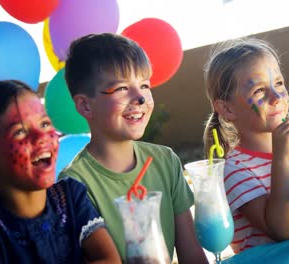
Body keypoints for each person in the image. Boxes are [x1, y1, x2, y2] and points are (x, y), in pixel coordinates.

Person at [58, 33, 208, 263]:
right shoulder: (74, 186)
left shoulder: (164, 161)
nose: (139, 97)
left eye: (145, 85)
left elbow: (192, 254)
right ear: (85, 106)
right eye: (121, 88)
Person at [203, 37, 289, 254]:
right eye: (259, 90)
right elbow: (282, 231)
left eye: (278, 83)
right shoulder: (234, 170)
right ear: (227, 109)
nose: (277, 96)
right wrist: (280, 158)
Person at [0, 80, 120, 263]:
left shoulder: (71, 196)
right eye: (20, 131)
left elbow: (109, 259)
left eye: (44, 124)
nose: (42, 137)